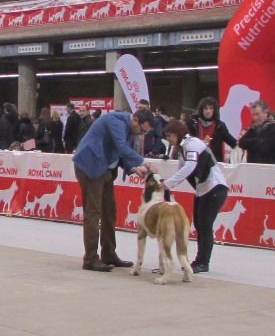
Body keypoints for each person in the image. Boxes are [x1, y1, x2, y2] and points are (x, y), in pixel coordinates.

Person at [72, 109, 155, 272]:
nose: (141, 134)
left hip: (104, 170)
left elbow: (119, 153)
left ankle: (108, 254)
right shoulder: (115, 121)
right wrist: (144, 163)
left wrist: (133, 168)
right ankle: (90, 258)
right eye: (142, 130)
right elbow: (122, 147)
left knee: (110, 212)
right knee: (93, 212)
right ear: (136, 120)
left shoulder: (129, 128)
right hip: (90, 166)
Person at [161, 119, 229, 273]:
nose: (169, 139)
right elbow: (182, 171)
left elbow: (189, 167)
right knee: (199, 225)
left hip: (214, 188)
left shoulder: (192, 144)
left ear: (177, 133)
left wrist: (169, 183)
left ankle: (204, 262)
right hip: (204, 189)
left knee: (205, 225)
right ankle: (199, 260)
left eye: (170, 135)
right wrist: (169, 184)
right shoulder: (182, 149)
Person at [188, 97, 237, 162]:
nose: (208, 111)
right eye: (206, 108)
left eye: (211, 108)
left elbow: (232, 142)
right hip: (197, 162)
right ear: (201, 110)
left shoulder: (220, 126)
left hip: (214, 163)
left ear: (214, 110)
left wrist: (242, 142)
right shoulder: (193, 124)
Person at [238, 100, 275, 164]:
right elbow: (241, 142)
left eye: (257, 114)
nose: (255, 118)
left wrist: (251, 143)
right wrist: (257, 141)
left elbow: (265, 148)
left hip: (271, 168)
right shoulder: (254, 128)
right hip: (254, 167)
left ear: (266, 112)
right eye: (253, 115)